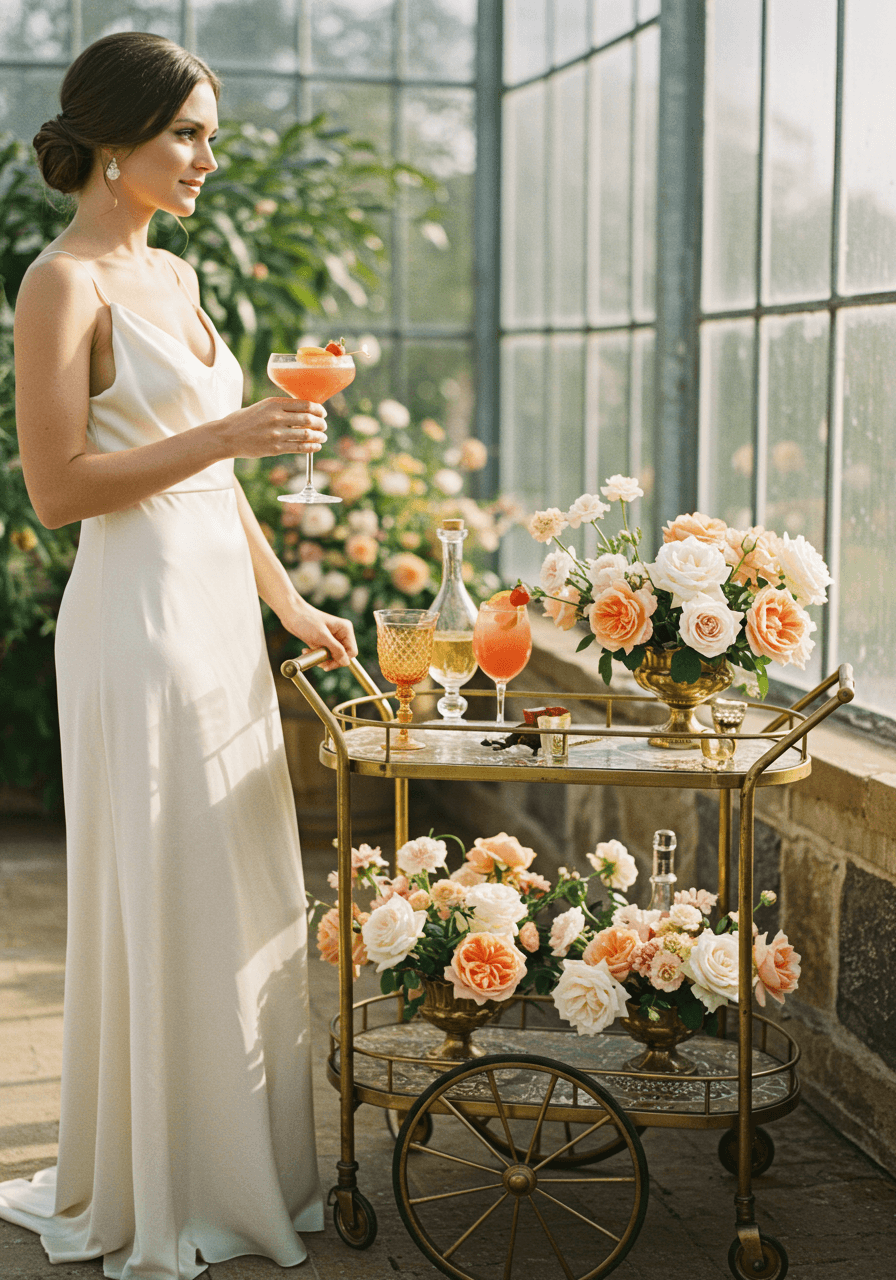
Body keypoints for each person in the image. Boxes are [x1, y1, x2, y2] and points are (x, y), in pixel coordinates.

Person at [0, 31, 357, 1280]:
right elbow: (57, 489)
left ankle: (233, 1167)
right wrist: (234, 437)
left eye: (210, 133)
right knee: (166, 890)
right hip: (136, 623)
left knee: (240, 886)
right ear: (112, 144)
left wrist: (290, 605)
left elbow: (224, 482)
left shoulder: (178, 270)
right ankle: (160, 1187)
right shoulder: (62, 283)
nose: (208, 157)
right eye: (186, 135)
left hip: (214, 617)